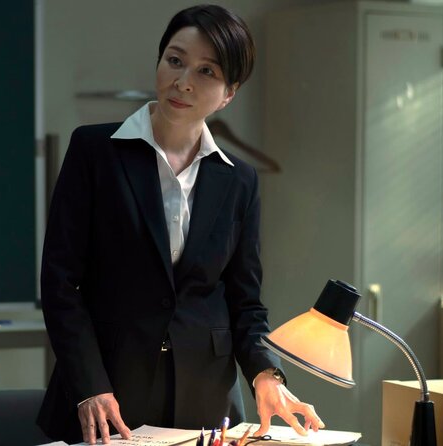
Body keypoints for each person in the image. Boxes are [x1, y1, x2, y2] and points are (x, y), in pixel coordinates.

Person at [38, 4, 324, 444]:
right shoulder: (94, 152)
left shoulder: (239, 180)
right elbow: (60, 284)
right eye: (175, 60)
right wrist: (89, 386)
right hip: (105, 396)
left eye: (207, 71)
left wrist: (267, 374)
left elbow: (245, 302)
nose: (183, 81)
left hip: (205, 404)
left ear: (229, 93)